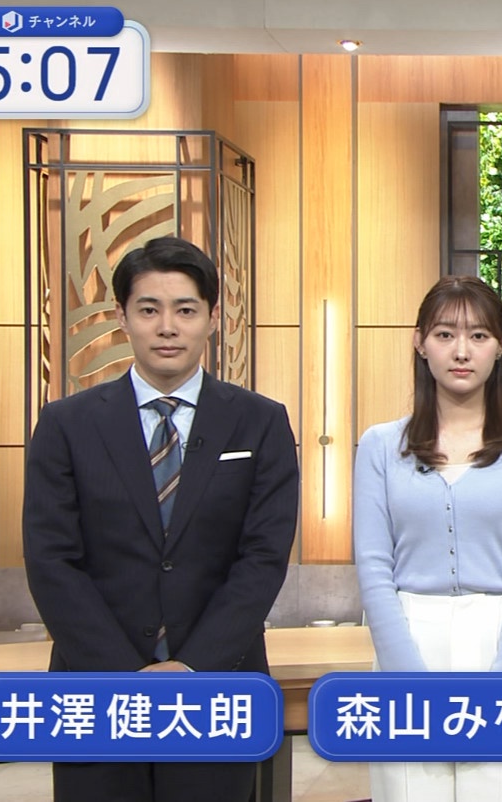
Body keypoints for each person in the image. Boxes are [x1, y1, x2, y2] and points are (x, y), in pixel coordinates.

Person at [22, 236, 300, 802]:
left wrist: (192, 669)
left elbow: (263, 558)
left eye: (186, 310)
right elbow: (52, 560)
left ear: (213, 319)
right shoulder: (66, 425)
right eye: (149, 309)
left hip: (219, 685)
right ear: (122, 316)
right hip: (94, 691)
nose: (167, 327)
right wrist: (125, 678)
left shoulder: (261, 422)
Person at [354, 275, 502, 802]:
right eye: (445, 335)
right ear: (420, 343)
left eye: (478, 336)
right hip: (407, 640)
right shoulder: (380, 446)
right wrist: (409, 684)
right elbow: (373, 567)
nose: (461, 351)